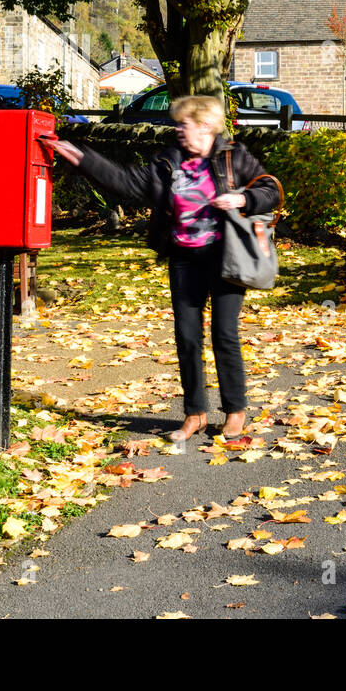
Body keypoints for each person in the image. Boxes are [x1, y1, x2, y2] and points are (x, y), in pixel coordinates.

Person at [40, 95, 280, 442]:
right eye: (178, 124)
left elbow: (270, 189)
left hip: (226, 257)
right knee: (187, 336)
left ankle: (234, 411)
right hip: (184, 258)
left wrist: (243, 198)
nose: (178, 130)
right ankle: (195, 414)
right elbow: (126, 183)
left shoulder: (233, 157)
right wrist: (79, 156)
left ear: (205, 125)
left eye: (185, 123)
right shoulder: (170, 163)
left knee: (223, 334)